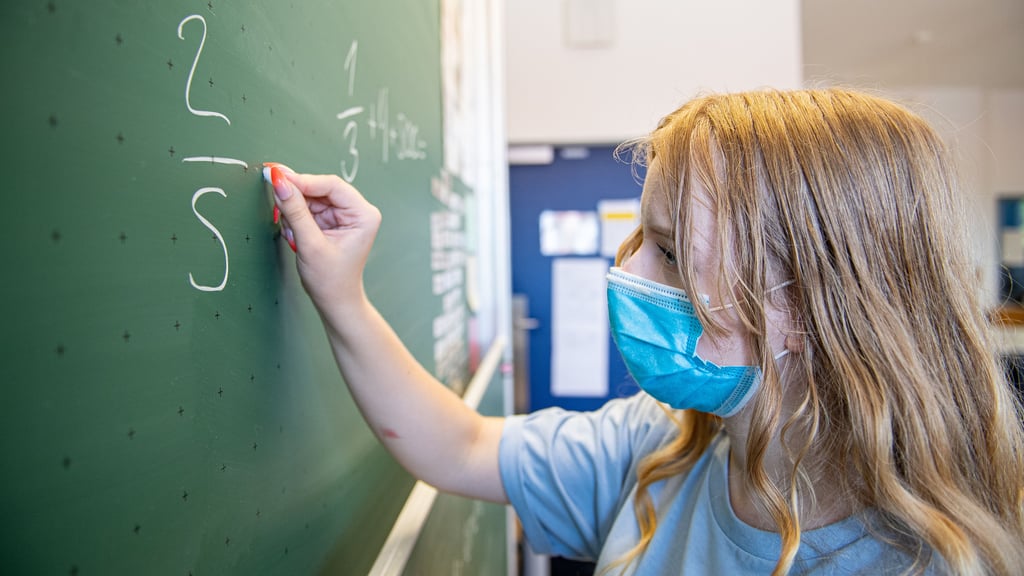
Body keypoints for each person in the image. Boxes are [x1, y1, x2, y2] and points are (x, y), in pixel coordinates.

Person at [264, 88, 1024, 575]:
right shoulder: (667, 446)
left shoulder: (924, 564)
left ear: (802, 306)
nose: (627, 269)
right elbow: (459, 444)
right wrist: (342, 296)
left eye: (666, 251)